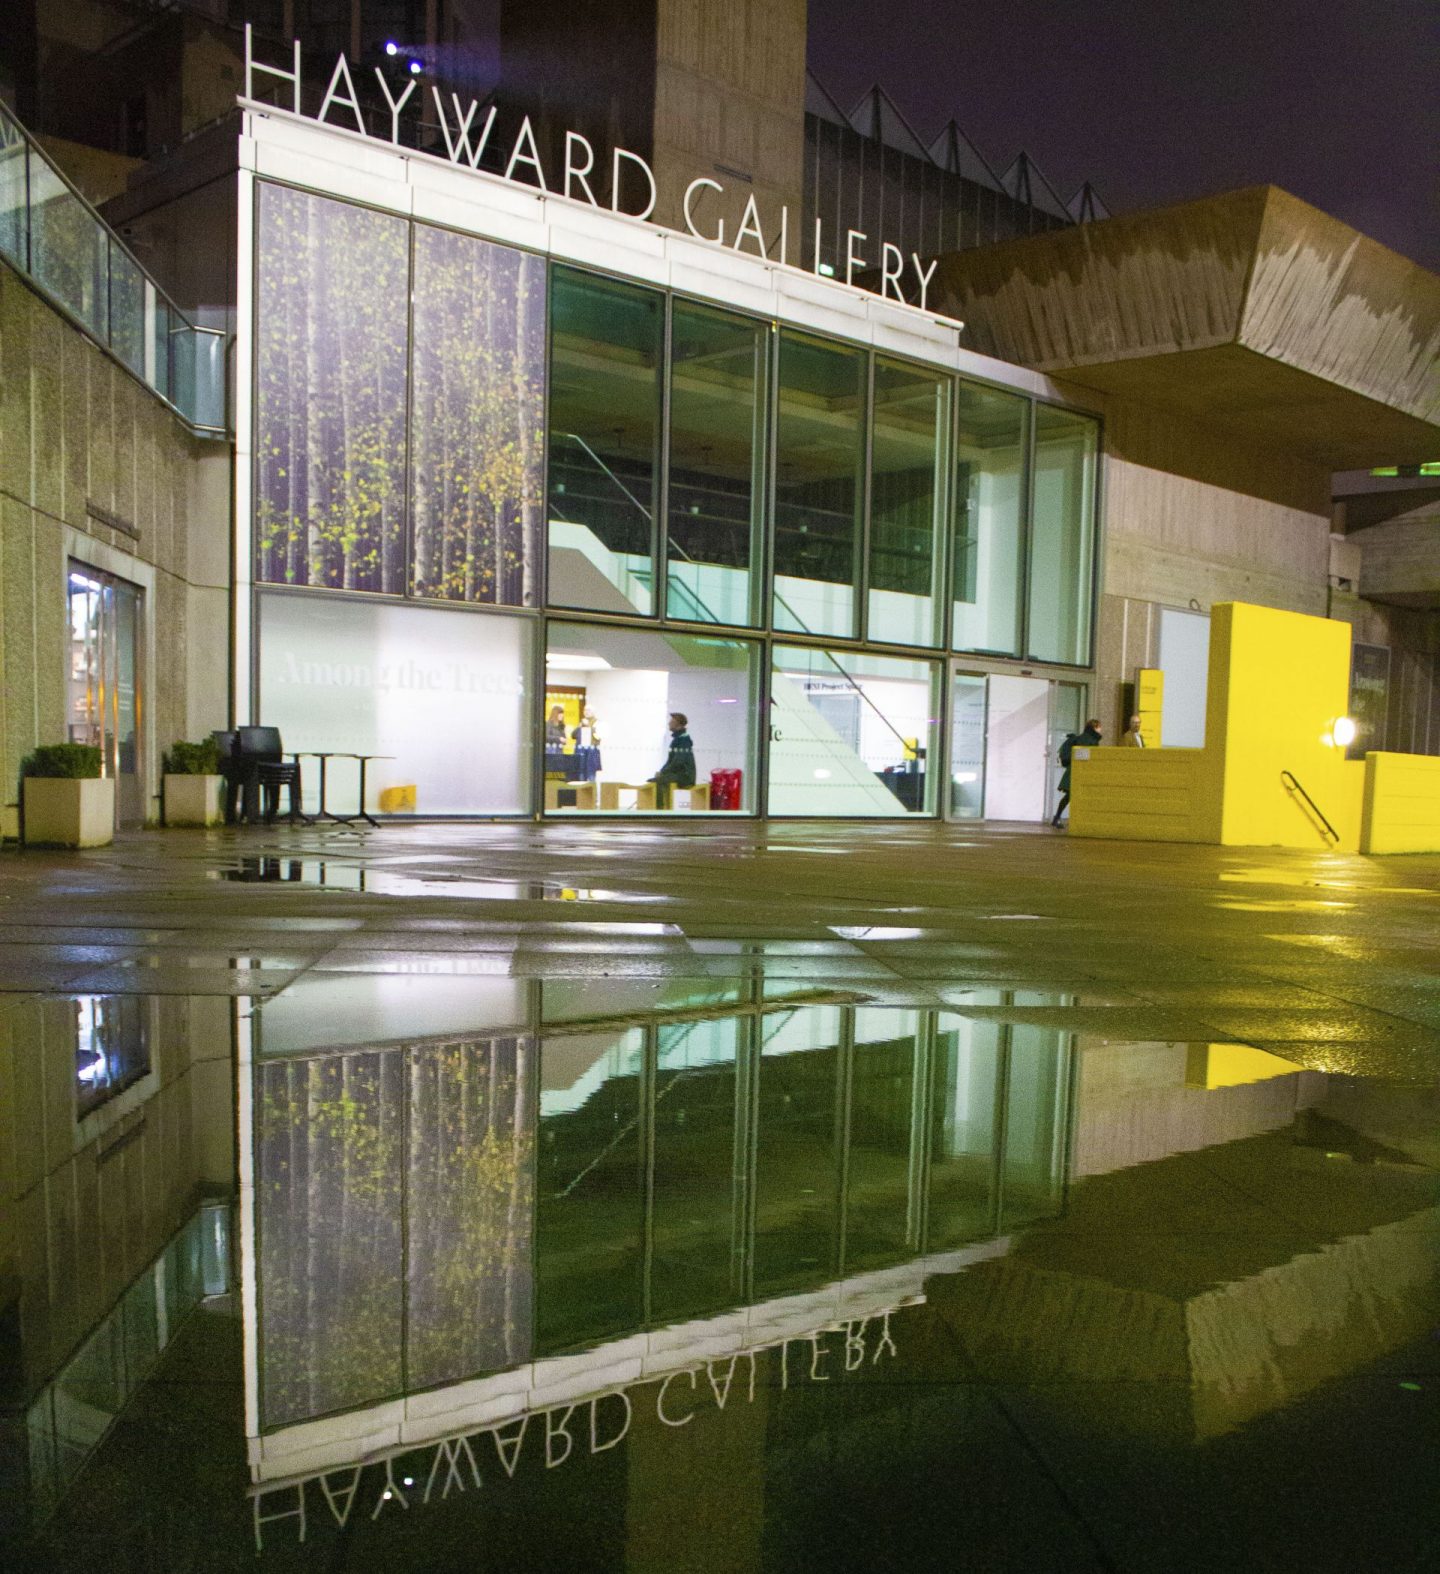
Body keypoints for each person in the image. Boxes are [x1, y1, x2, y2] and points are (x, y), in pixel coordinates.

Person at [1052, 717, 1102, 827]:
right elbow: (1087, 757)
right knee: (1074, 796)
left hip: (1074, 771)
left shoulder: (1083, 738)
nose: (1101, 730)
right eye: (1099, 727)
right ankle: (1073, 820)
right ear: (1094, 727)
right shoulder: (1090, 740)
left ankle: (1057, 818)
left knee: (1069, 796)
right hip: (1081, 773)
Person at [649, 712, 695, 808]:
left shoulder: (684, 740)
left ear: (679, 724)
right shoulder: (678, 739)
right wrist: (662, 771)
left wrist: (664, 772)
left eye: (672, 721)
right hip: (678, 774)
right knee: (656, 779)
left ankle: (659, 811)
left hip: (685, 776)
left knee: (657, 781)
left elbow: (678, 761)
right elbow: (671, 761)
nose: (669, 723)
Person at [570, 708, 602, 782]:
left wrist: (589, 726)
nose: (586, 712)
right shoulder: (581, 723)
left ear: (593, 712)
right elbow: (573, 735)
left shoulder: (597, 723)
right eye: (585, 710)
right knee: (580, 774)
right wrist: (579, 727)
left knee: (591, 775)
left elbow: (598, 737)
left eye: (588, 710)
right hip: (581, 752)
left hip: (592, 753)